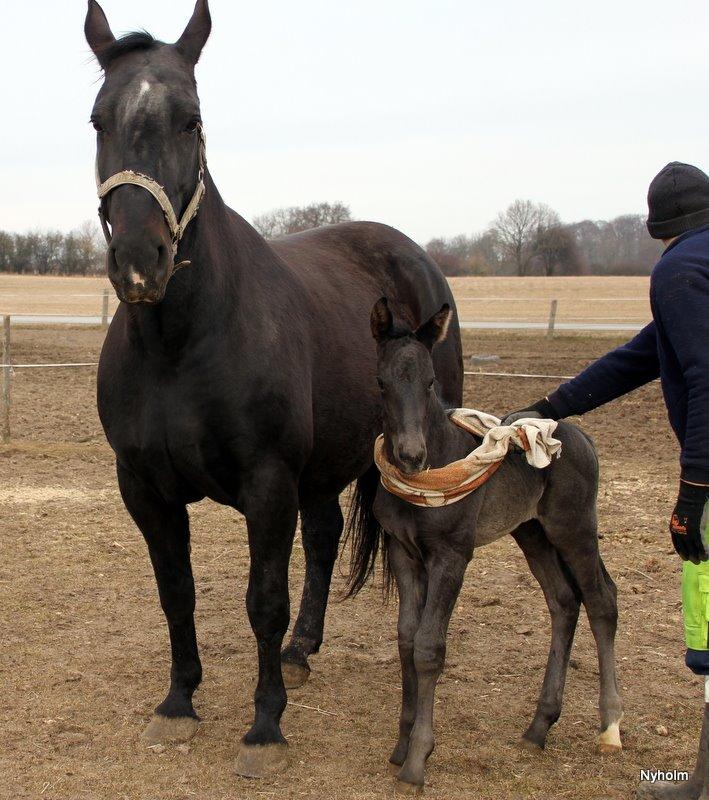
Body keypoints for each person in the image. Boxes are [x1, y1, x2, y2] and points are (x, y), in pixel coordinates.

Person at [502, 162, 709, 800]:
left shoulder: (679, 271)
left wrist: (695, 492)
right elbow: (644, 356)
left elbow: (705, 377)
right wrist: (550, 408)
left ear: (658, 228)